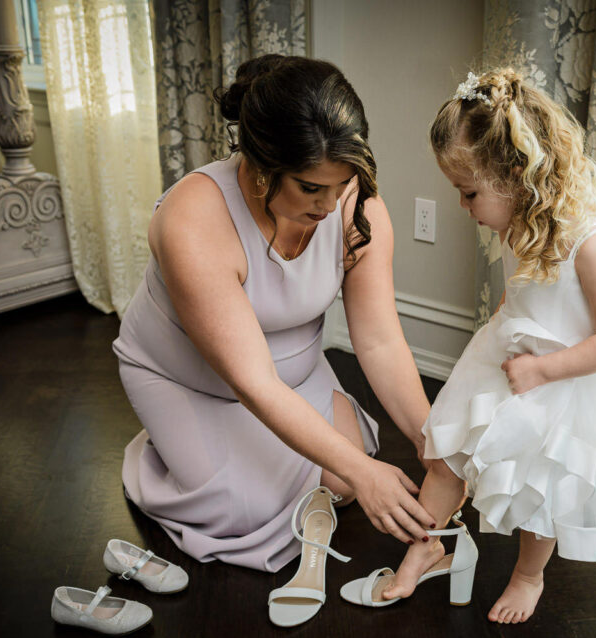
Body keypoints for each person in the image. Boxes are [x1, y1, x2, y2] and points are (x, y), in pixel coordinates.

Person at [347, 69, 596, 623]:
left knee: (538, 490)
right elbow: (524, 289)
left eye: (469, 192)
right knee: (446, 455)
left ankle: (529, 575)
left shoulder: (591, 242)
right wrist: (505, 322)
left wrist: (544, 370)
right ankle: (424, 549)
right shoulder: (517, 223)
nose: (463, 206)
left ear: (517, 173)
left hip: (566, 379)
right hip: (507, 358)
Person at [112, 54, 436, 574]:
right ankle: (164, 451)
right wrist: (364, 466)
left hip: (295, 372)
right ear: (263, 169)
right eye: (311, 188)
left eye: (343, 182)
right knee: (245, 513)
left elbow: (378, 341)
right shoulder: (194, 217)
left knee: (346, 484)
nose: (331, 206)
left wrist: (429, 441)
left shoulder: (355, 205)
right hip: (190, 377)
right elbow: (253, 382)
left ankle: (295, 438)